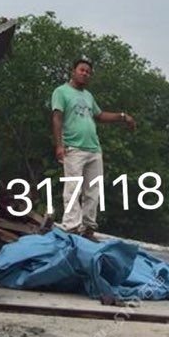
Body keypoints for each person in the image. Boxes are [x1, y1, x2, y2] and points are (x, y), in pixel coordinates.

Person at [50, 56, 135, 239]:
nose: (85, 74)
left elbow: (100, 115)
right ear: (73, 71)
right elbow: (57, 117)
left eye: (88, 72)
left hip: (93, 148)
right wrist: (59, 145)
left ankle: (88, 227)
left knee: (93, 190)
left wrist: (122, 116)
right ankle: (71, 226)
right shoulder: (61, 92)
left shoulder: (88, 96)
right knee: (73, 188)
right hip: (73, 147)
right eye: (82, 70)